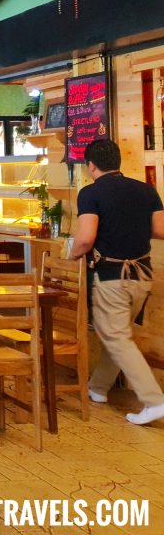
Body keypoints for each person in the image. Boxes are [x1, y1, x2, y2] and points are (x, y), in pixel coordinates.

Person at [67, 139, 164, 425]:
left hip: (112, 275)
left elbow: (86, 238)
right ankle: (98, 389)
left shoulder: (90, 193)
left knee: (115, 336)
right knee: (118, 333)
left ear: (91, 165)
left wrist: (72, 254)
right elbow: (159, 230)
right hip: (143, 274)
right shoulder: (146, 190)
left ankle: (154, 400)